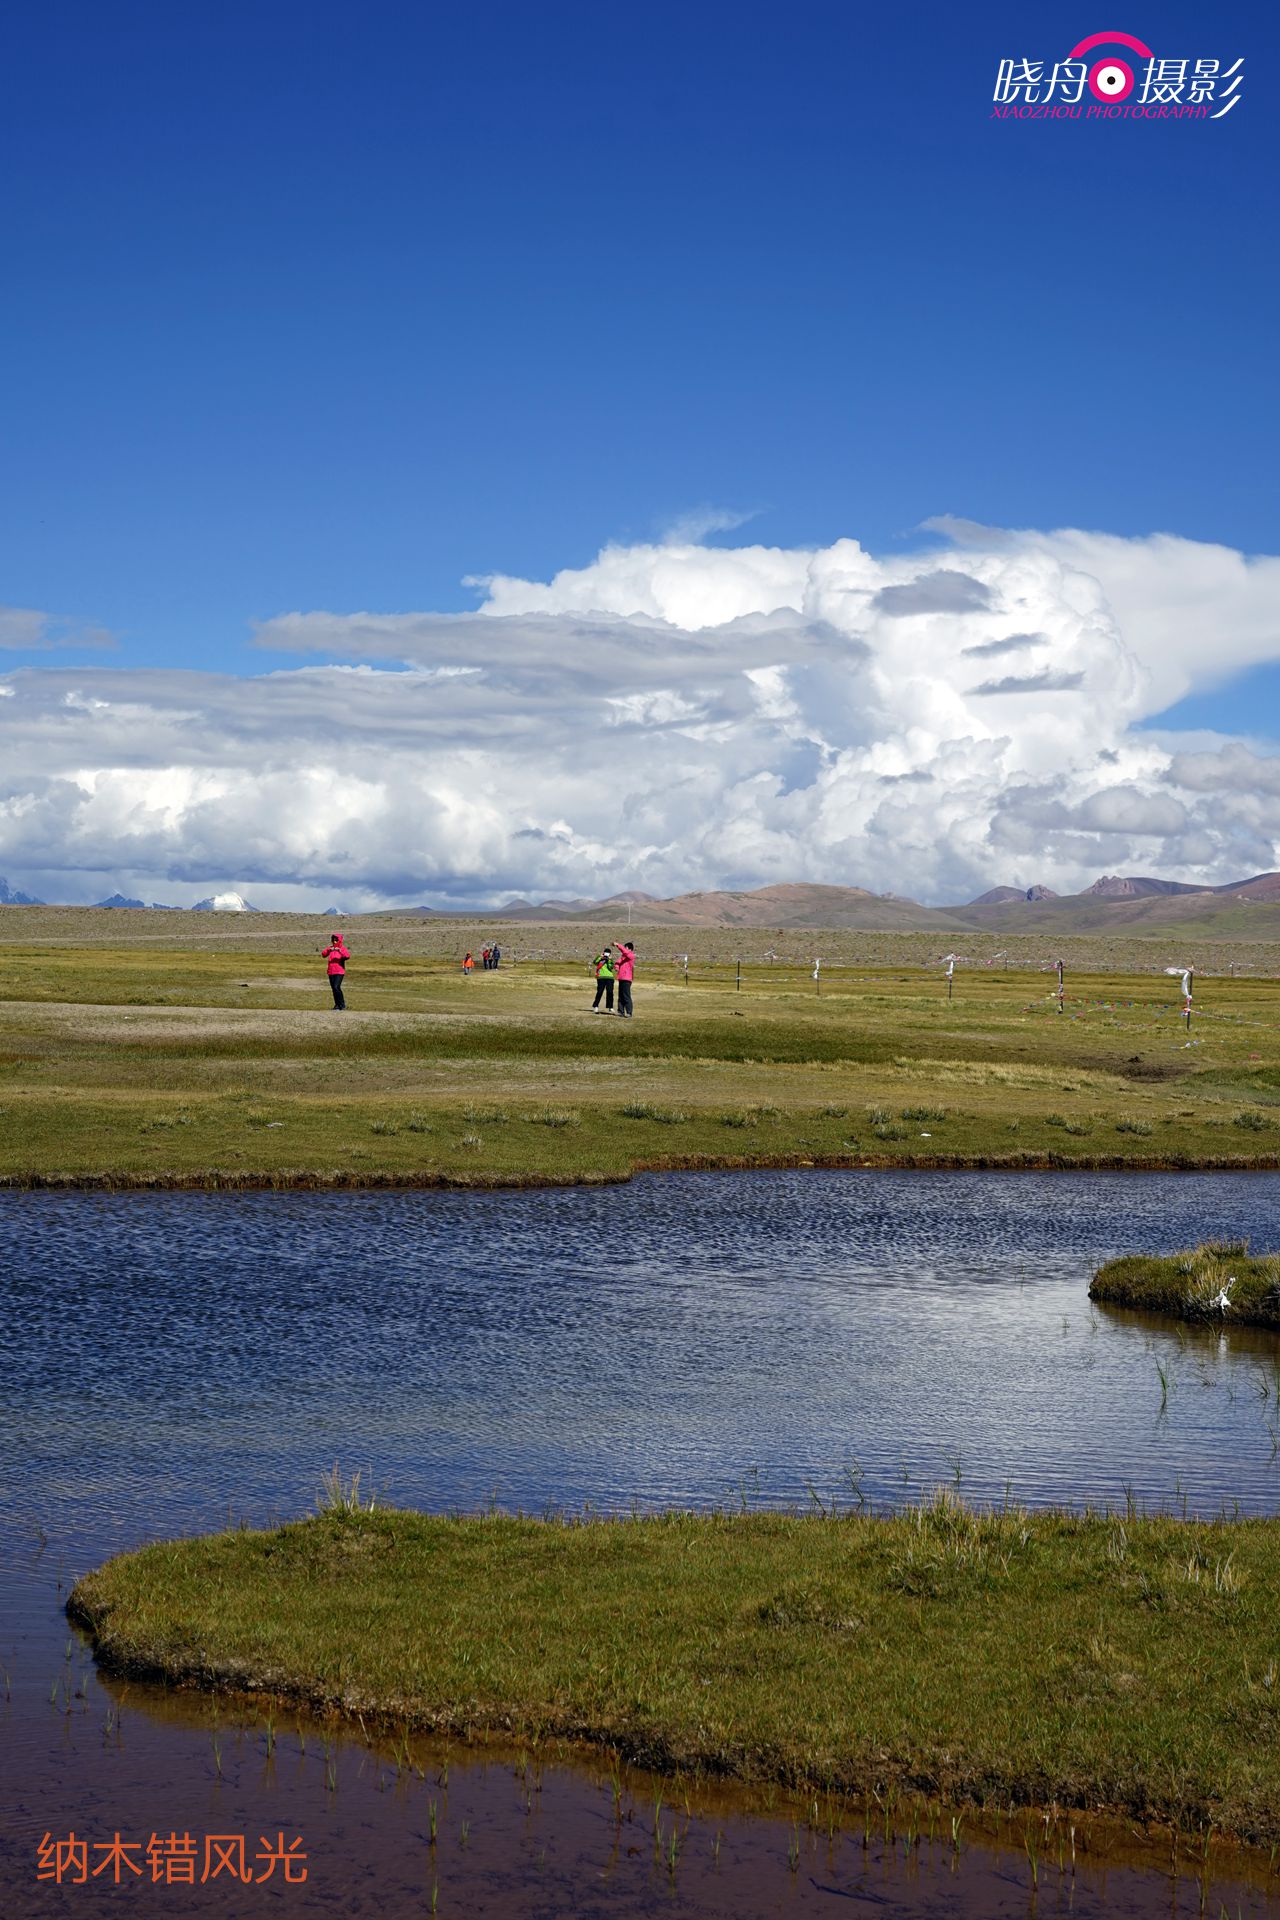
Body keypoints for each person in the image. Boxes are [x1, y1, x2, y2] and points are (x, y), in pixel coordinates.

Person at [321, 931, 350, 1010]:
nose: (334, 942)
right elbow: (323, 954)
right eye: (333, 940)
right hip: (331, 971)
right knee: (333, 989)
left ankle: (342, 1004)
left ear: (339, 940)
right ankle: (337, 1005)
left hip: (339, 971)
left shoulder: (342, 948)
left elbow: (347, 956)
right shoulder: (330, 948)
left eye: (336, 940)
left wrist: (339, 950)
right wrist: (329, 950)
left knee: (336, 987)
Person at [614, 939, 635, 1018]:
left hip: (627, 979)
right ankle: (620, 1011)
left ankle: (629, 1012)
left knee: (626, 996)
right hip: (621, 978)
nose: (624, 950)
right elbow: (617, 963)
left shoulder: (631, 956)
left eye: (626, 948)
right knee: (620, 996)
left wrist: (618, 945)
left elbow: (625, 952)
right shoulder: (623, 957)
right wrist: (616, 967)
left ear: (630, 949)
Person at [591, 945, 614, 1012]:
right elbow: (595, 962)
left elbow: (611, 967)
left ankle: (610, 1007)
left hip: (609, 977)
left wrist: (609, 960)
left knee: (610, 992)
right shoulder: (600, 959)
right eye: (605, 952)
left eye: (608, 953)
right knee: (599, 992)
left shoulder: (610, 960)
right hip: (601, 977)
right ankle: (596, 1006)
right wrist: (600, 957)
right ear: (603, 953)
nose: (606, 954)